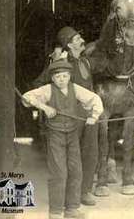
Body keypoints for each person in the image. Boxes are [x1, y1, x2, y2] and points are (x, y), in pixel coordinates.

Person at [33, 26, 109, 204]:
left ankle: (85, 192)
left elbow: (107, 62)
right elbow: (39, 83)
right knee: (71, 159)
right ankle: (69, 196)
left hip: (89, 117)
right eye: (77, 39)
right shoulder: (60, 64)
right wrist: (49, 104)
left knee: (90, 153)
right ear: (69, 44)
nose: (81, 40)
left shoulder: (87, 62)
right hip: (71, 119)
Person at [22, 60, 103, 219]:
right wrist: (44, 107)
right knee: (59, 173)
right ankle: (56, 212)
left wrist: (93, 117)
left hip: (72, 135)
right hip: (55, 135)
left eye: (65, 76)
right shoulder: (47, 90)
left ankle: (72, 208)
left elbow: (95, 99)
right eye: (58, 76)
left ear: (69, 76)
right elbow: (26, 98)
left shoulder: (75, 88)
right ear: (52, 78)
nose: (61, 79)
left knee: (76, 171)